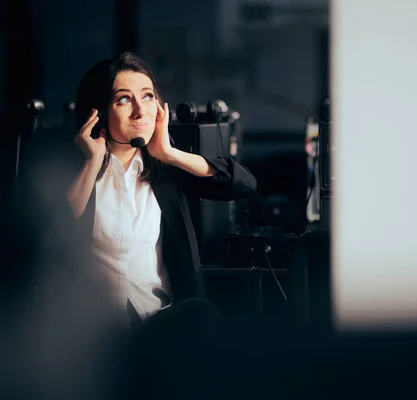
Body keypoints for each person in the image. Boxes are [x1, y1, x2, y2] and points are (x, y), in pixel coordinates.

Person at [17, 52, 257, 399]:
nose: (140, 110)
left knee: (200, 317)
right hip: (89, 331)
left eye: (147, 96)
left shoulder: (165, 172)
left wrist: (170, 153)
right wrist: (91, 164)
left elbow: (245, 184)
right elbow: (46, 234)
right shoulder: (70, 168)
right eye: (124, 99)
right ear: (97, 111)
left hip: (159, 323)